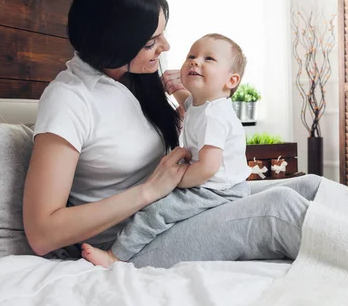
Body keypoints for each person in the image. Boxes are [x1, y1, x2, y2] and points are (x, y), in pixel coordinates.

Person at [23, 0, 322, 268]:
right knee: (281, 209)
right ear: (115, 44)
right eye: (151, 41)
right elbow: (42, 233)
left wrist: (189, 100)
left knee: (310, 186)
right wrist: (150, 190)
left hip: (180, 206)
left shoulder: (134, 77)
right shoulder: (69, 99)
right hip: (137, 238)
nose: (165, 47)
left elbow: (185, 129)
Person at [81, 33, 252, 267]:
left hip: (216, 190)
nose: (195, 61)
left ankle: (115, 256)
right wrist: (175, 87)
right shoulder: (204, 104)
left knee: (156, 211)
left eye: (209, 59)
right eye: (191, 56)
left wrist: (173, 182)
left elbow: (208, 167)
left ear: (231, 81)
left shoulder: (215, 116)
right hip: (223, 185)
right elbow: (187, 103)